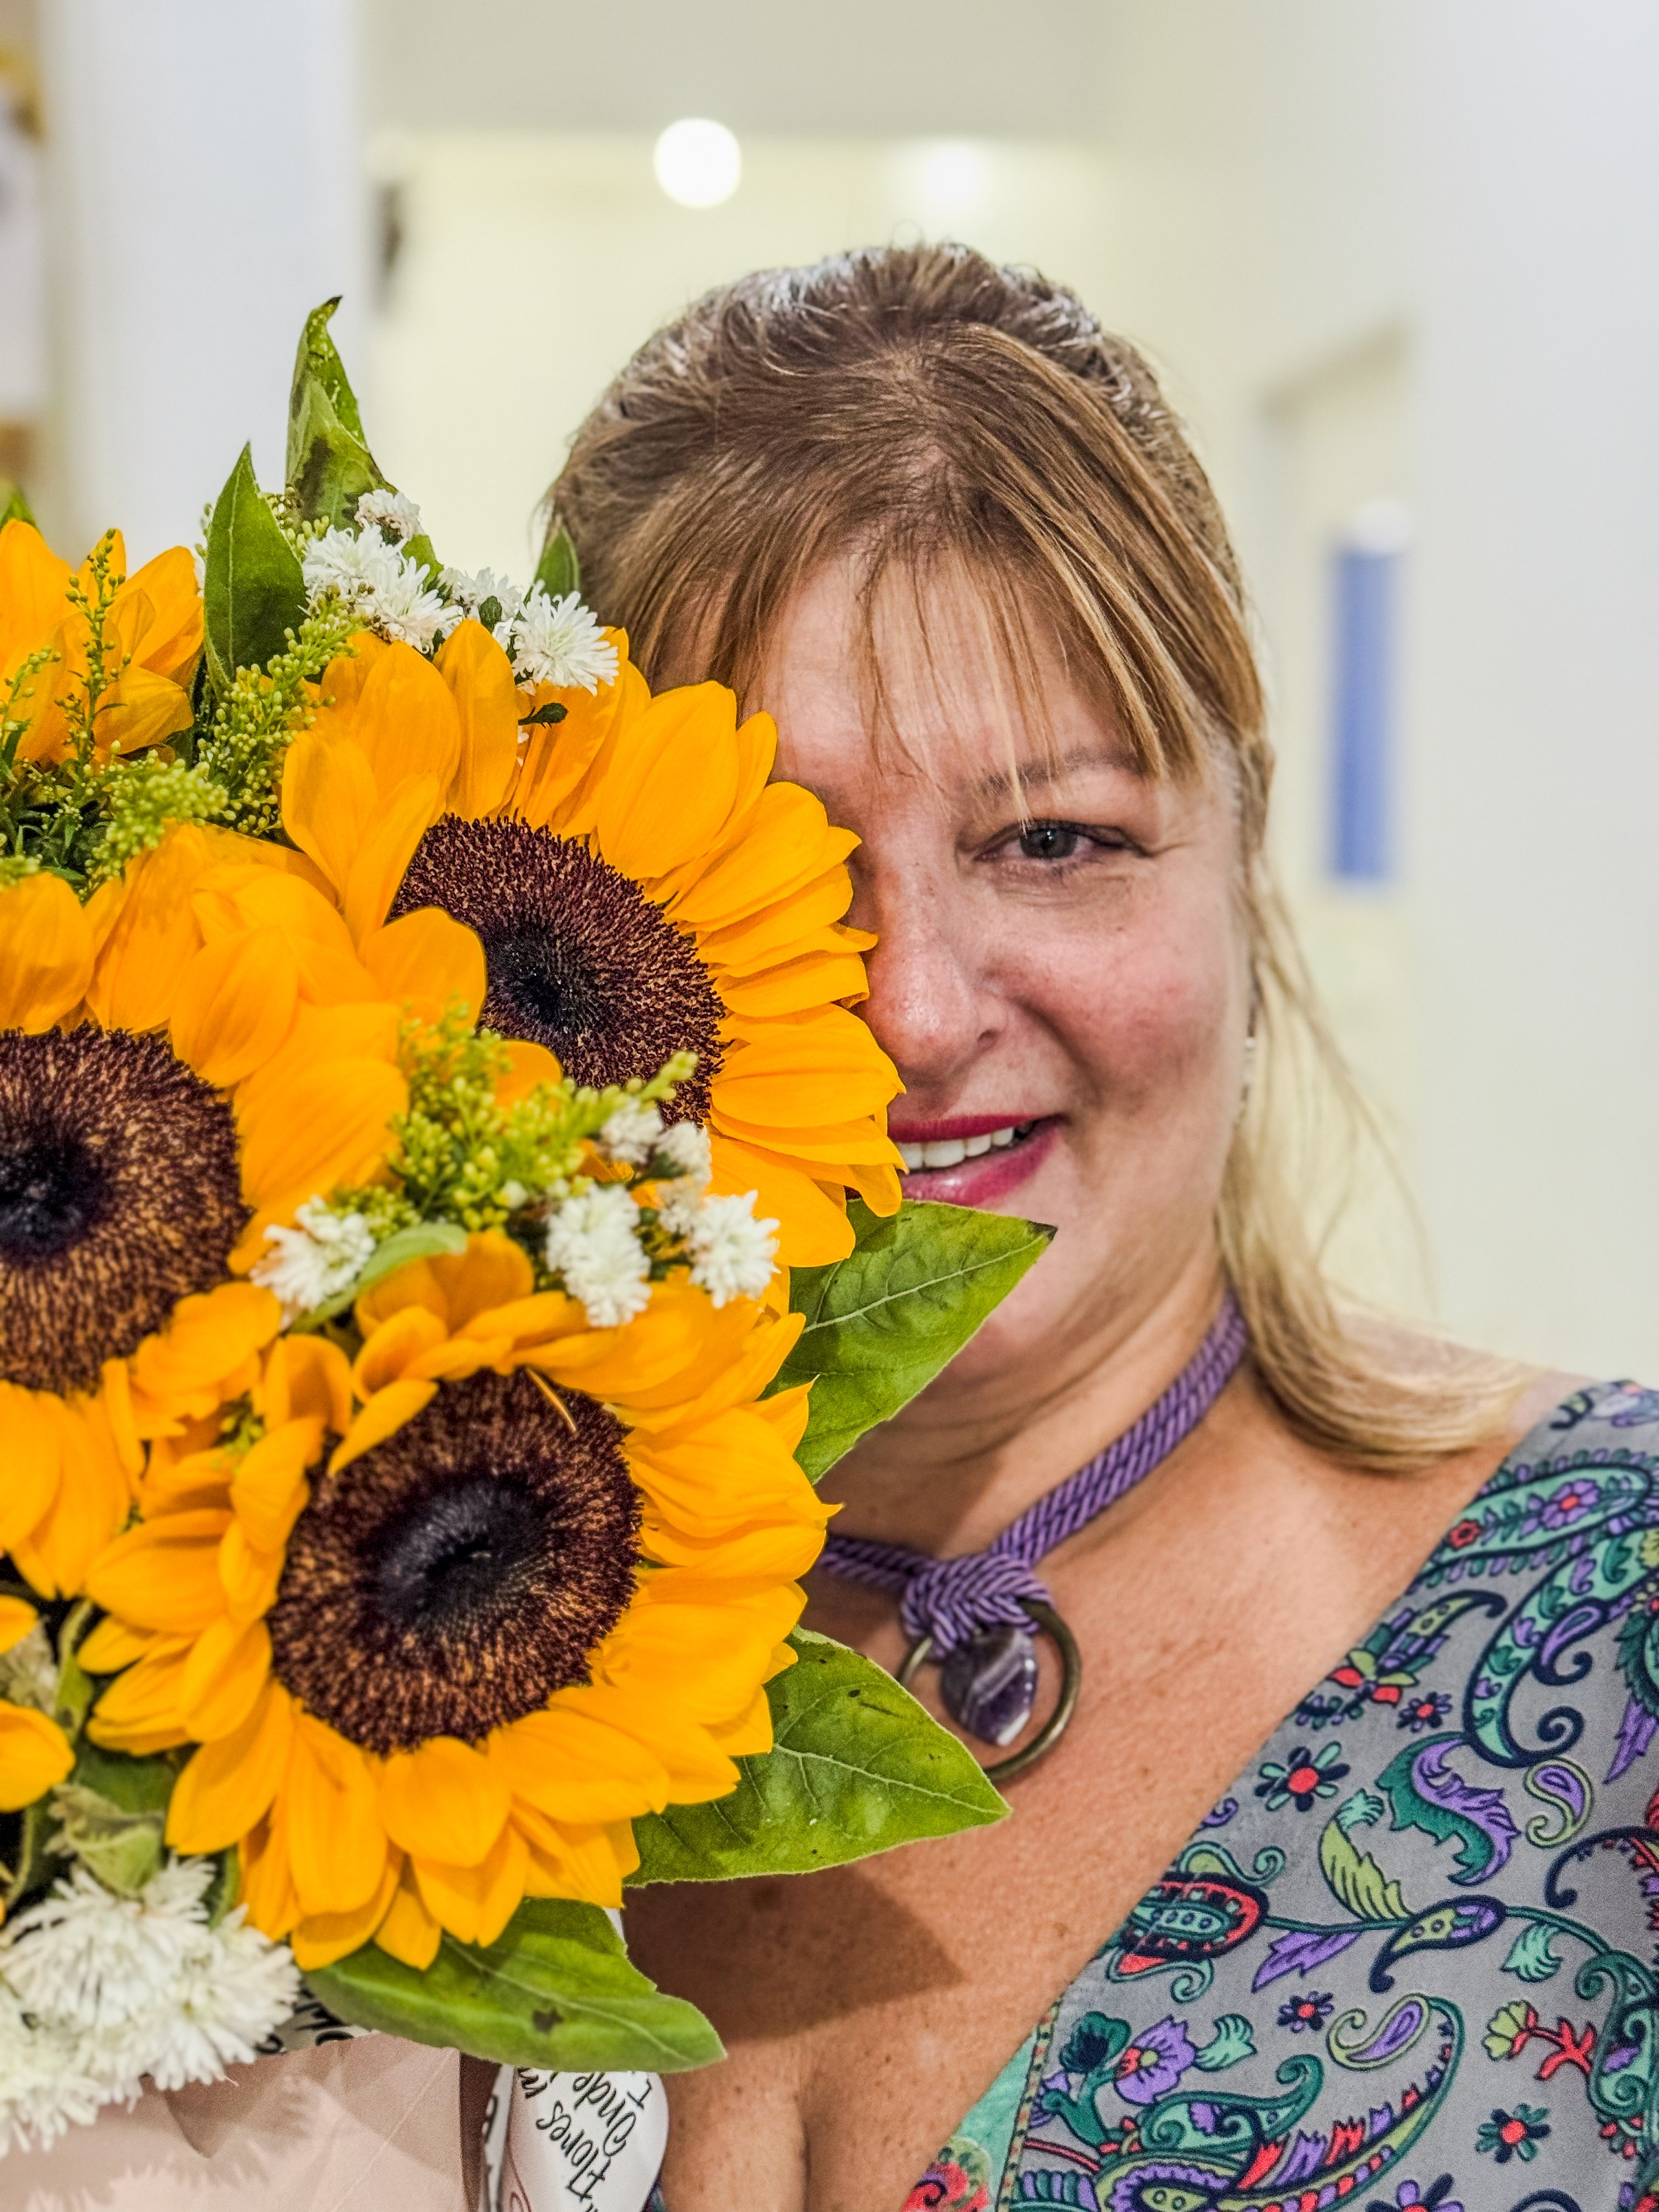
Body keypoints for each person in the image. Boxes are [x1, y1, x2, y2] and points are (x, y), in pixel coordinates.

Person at [551, 244, 1659, 2212]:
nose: (910, 1010)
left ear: (1243, 850)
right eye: (774, 861)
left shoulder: (1621, 1628)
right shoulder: (314, 1669)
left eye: (1053, 840)